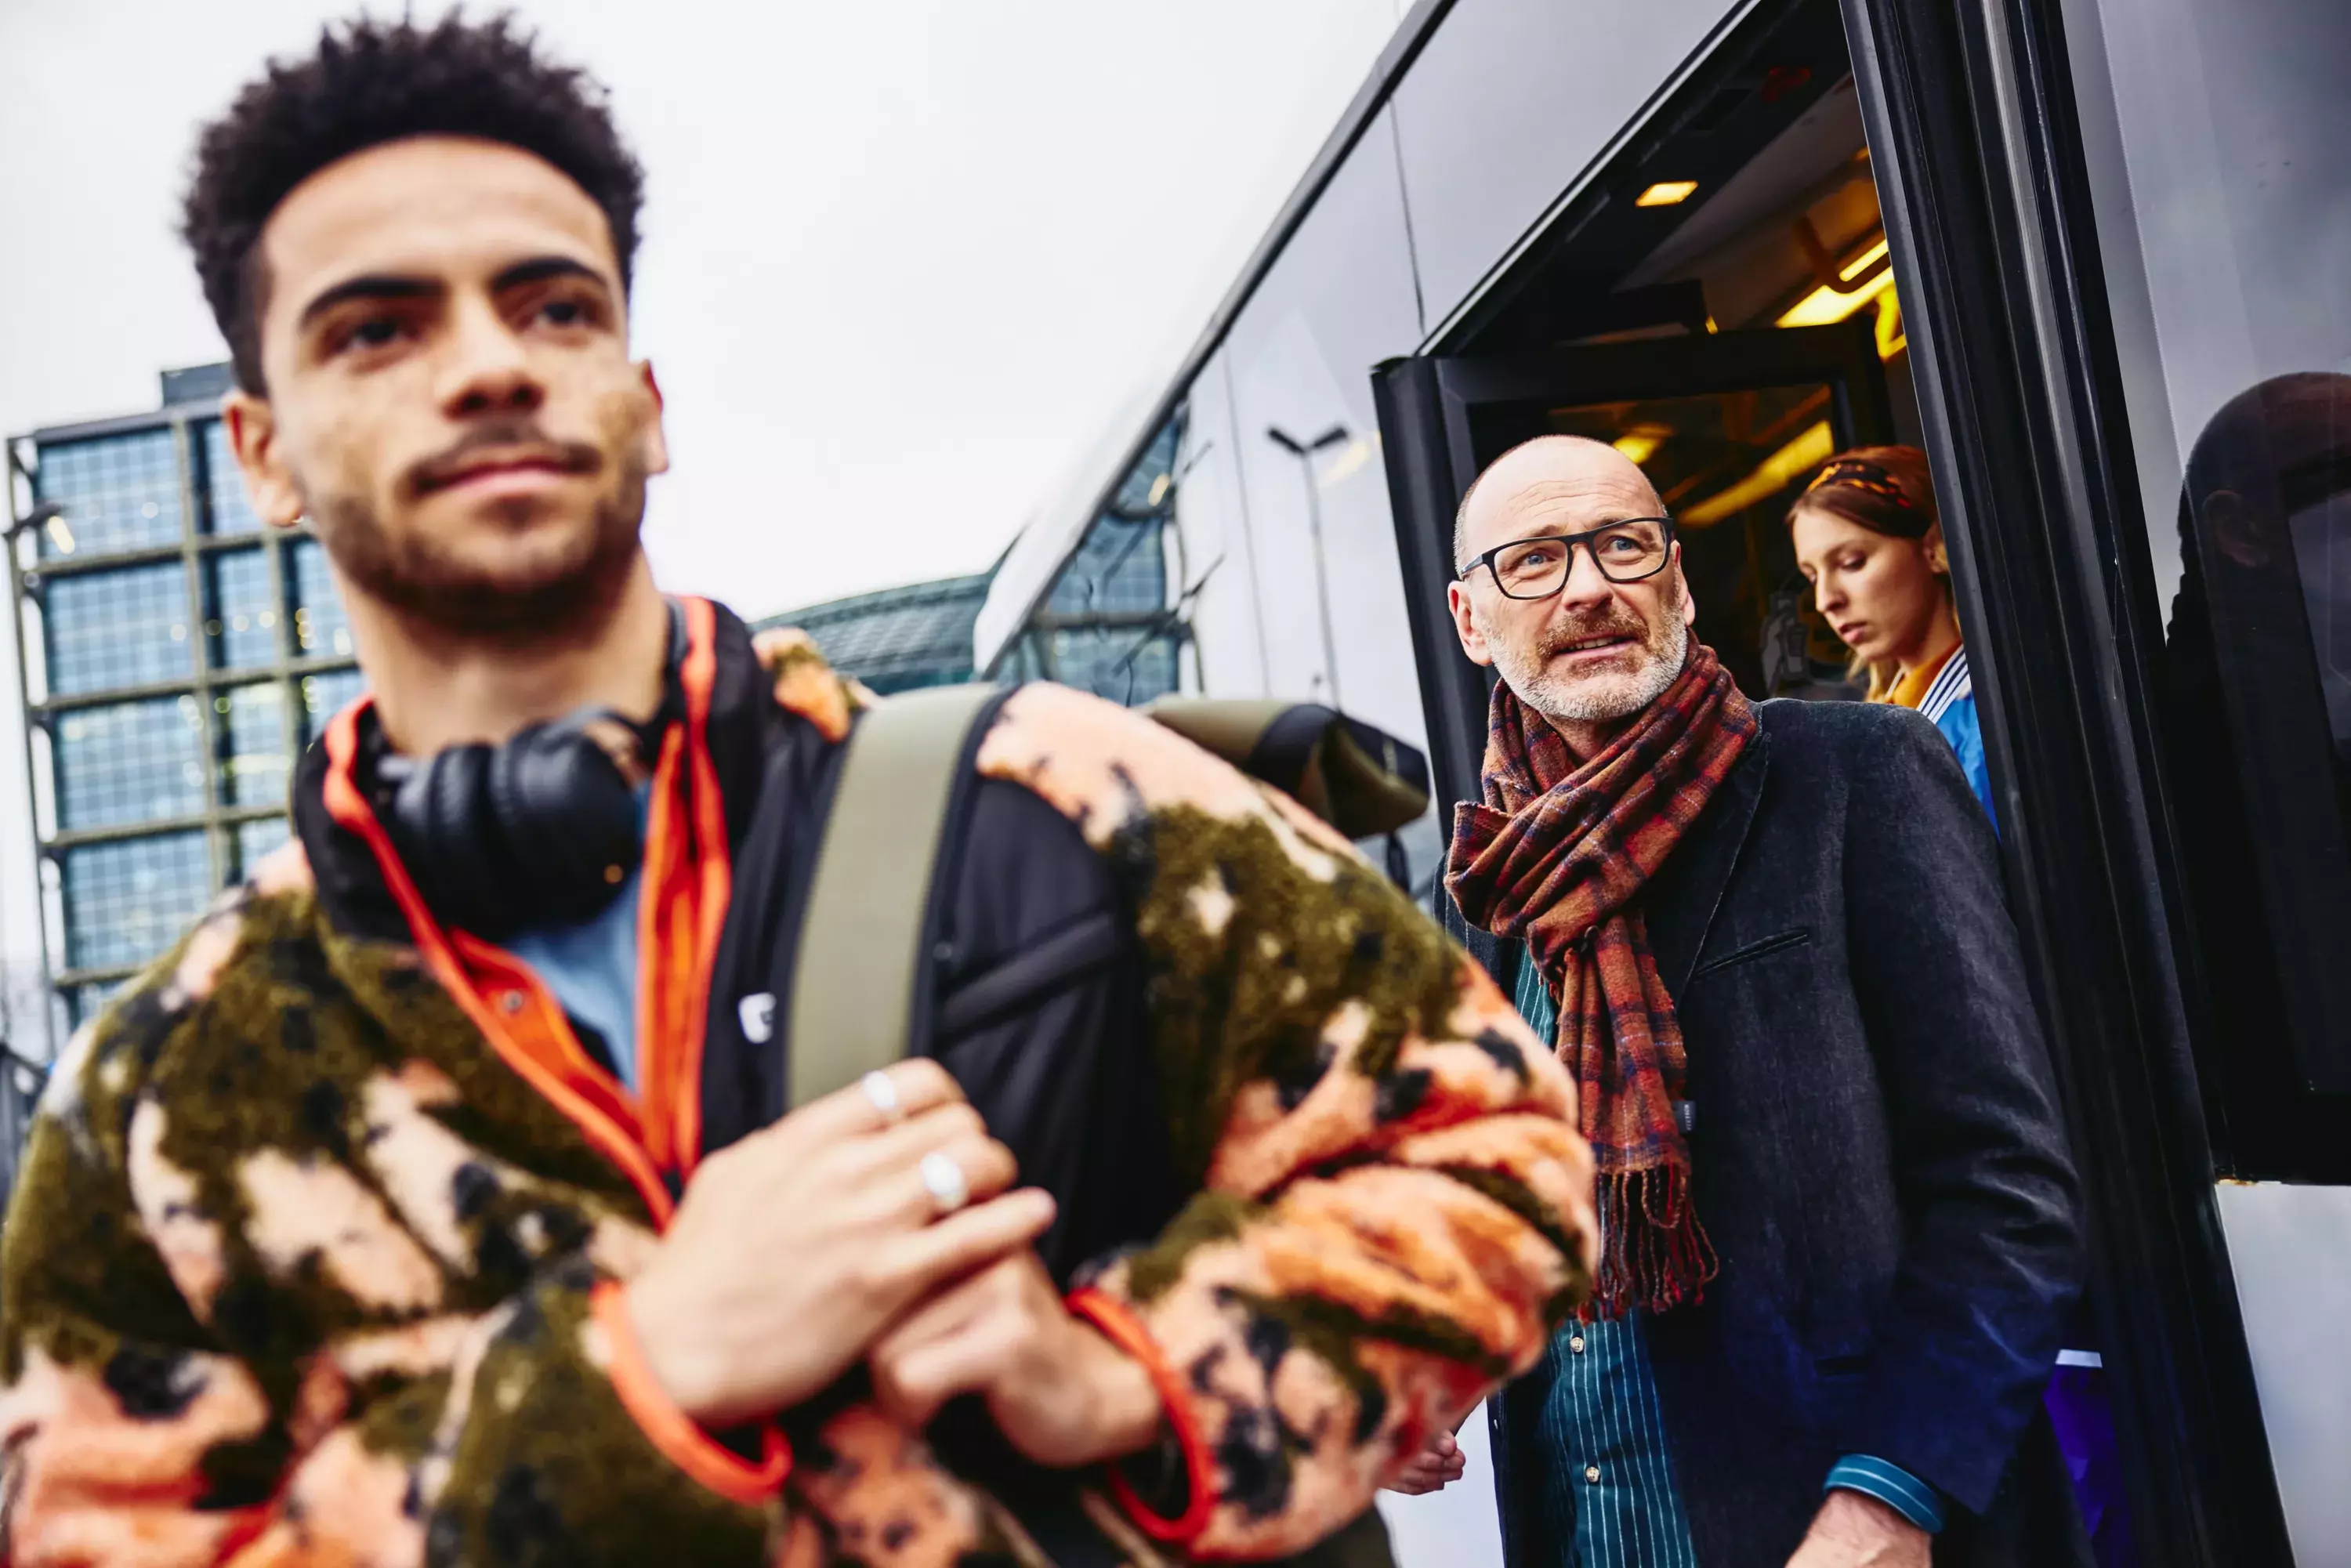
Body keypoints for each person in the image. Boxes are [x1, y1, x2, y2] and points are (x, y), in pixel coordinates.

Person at [0, 18, 1598, 1566]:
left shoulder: (1061, 796)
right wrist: (632, 1390)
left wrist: (1131, 1373)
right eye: (379, 327)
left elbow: (1496, 1154)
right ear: (261, 452)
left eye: (553, 307)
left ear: (648, 402)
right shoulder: (164, 1089)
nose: (488, 366)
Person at [1422, 434, 2085, 1566]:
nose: (1589, 588)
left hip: (1843, 1528)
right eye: (1533, 561)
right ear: (1472, 619)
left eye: (1623, 546)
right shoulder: (1487, 891)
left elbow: (2009, 1187)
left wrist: (1893, 1493)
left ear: (1675, 580)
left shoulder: (1855, 771)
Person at [1787, 447, 1996, 824]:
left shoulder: (1986, 723)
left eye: (1852, 563)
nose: (1825, 601)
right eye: (1813, 577)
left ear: (1933, 548)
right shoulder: (1884, 715)